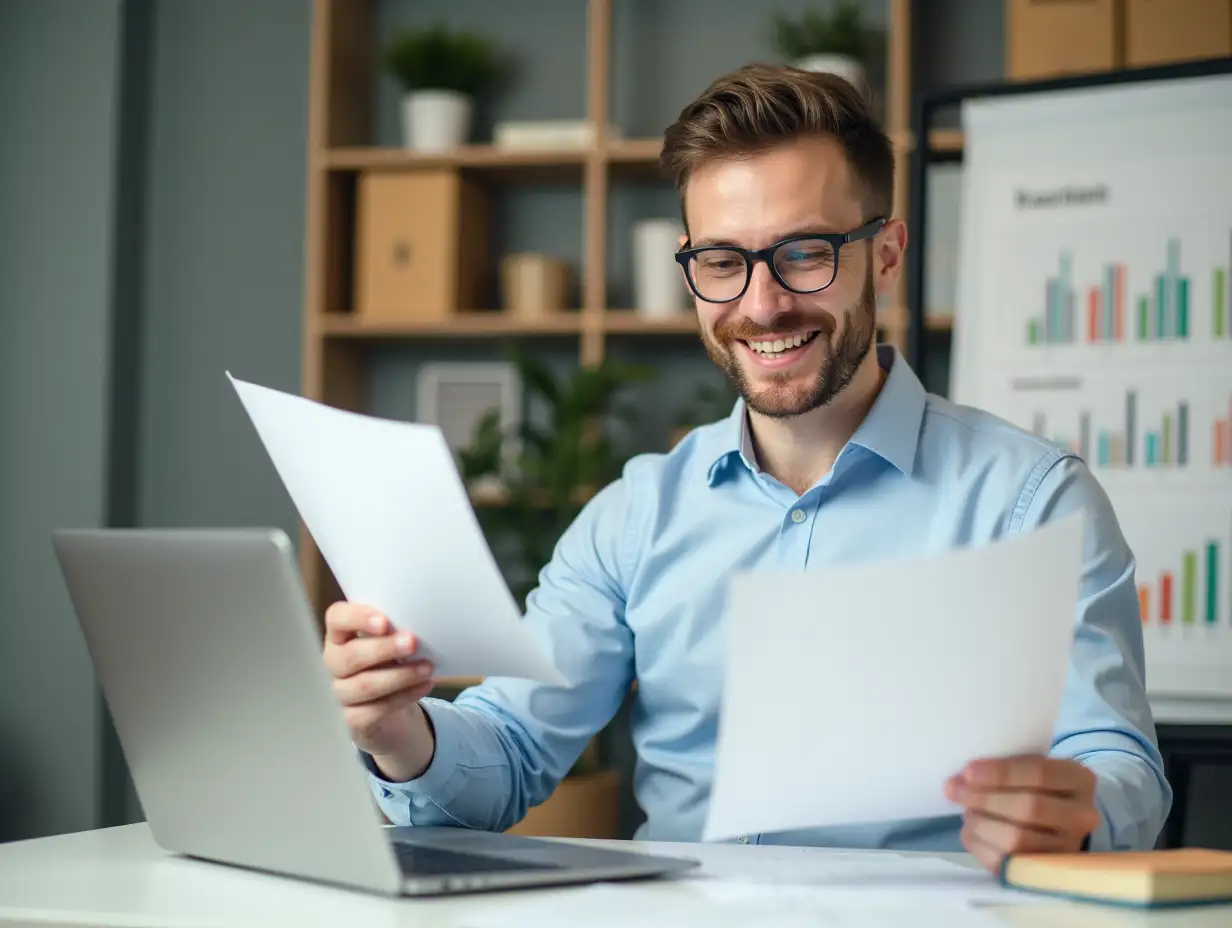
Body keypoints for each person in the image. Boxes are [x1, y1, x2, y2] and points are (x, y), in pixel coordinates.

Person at [322, 63, 1170, 872]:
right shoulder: (636, 518)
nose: (762, 305)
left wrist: (1079, 812)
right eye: (724, 263)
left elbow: (1116, 760)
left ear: (884, 252)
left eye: (804, 252)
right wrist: (399, 733)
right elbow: (506, 755)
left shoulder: (1030, 503)